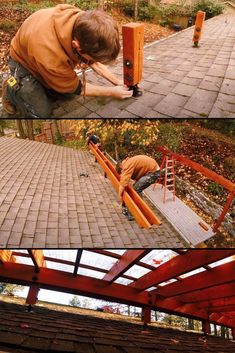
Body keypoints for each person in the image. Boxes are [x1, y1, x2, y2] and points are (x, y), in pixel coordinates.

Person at [2, 4, 132, 118]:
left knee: (65, 95)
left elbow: (93, 61)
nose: (92, 61)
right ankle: (10, 89)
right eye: (91, 58)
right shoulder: (51, 56)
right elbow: (76, 88)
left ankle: (47, 83)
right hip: (23, 63)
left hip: (42, 59)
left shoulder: (83, 21)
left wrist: (117, 82)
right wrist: (112, 92)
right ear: (76, 45)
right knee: (42, 113)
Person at [116, 155, 162, 221]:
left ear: (121, 169)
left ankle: (138, 213)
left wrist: (119, 195)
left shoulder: (126, 166)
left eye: (122, 173)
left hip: (153, 173)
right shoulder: (126, 162)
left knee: (136, 190)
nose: (122, 174)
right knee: (136, 187)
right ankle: (136, 210)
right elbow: (139, 168)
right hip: (150, 169)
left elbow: (123, 183)